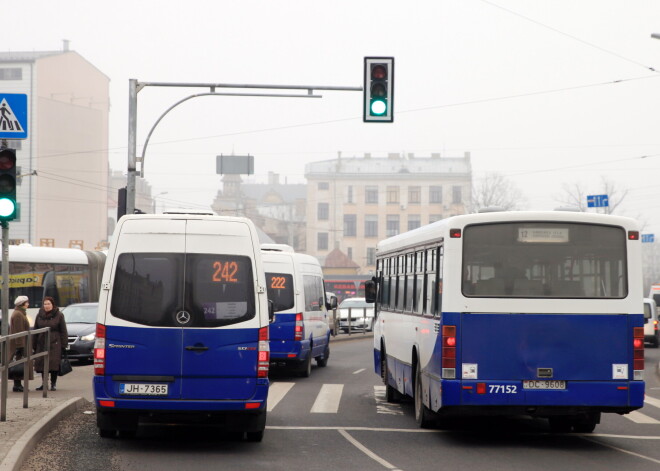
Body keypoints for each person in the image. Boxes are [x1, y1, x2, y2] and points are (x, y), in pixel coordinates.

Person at [33, 296, 68, 391]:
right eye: (45, 304)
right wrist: (34, 344)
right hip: (41, 342)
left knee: (53, 364)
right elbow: (35, 329)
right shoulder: (39, 315)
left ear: (52, 304)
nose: (47, 306)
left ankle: (53, 383)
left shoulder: (59, 315)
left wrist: (64, 345)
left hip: (54, 342)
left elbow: (63, 331)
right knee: (42, 364)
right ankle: (44, 384)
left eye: (48, 304)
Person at [9, 296, 33, 392]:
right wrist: (20, 346)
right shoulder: (18, 314)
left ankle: (18, 384)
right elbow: (19, 332)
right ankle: (17, 385)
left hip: (20, 343)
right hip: (19, 344)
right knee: (18, 363)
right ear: (22, 304)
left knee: (18, 363)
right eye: (26, 302)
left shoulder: (19, 313)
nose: (28, 304)